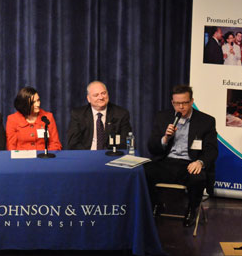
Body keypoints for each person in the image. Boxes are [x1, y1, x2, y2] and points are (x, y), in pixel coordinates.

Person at [144, 85, 218, 227]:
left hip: (189, 163)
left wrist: (200, 162)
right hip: (167, 162)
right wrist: (165, 138)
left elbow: (212, 150)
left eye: (184, 103)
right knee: (143, 171)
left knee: (197, 177)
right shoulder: (163, 117)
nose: (181, 107)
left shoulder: (206, 121)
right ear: (172, 102)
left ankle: (192, 210)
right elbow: (152, 147)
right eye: (177, 103)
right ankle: (156, 204)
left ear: (192, 101)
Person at [66, 81, 132, 150]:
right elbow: (73, 142)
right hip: (86, 153)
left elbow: (125, 141)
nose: (101, 97)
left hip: (110, 153)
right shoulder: (78, 114)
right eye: (96, 95)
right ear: (88, 99)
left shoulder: (121, 114)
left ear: (108, 94)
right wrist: (88, 154)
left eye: (103, 93)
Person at [5, 86, 62, 150]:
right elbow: (11, 147)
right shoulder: (13, 119)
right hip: (22, 156)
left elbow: (55, 144)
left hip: (43, 155)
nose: (38, 104)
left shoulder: (48, 117)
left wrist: (46, 154)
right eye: (33, 102)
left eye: (38, 100)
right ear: (24, 104)